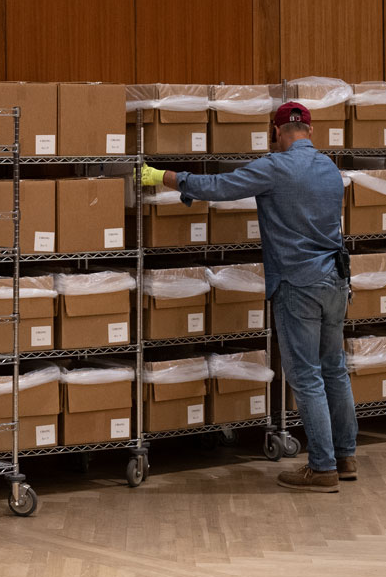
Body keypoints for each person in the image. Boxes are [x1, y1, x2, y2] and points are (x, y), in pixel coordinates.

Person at [142, 101, 355, 492]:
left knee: (306, 377)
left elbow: (218, 188)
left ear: (276, 132)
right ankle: (345, 455)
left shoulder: (275, 167)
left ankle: (323, 468)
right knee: (334, 369)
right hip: (336, 281)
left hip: (298, 284)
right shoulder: (330, 168)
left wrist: (163, 176)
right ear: (310, 129)